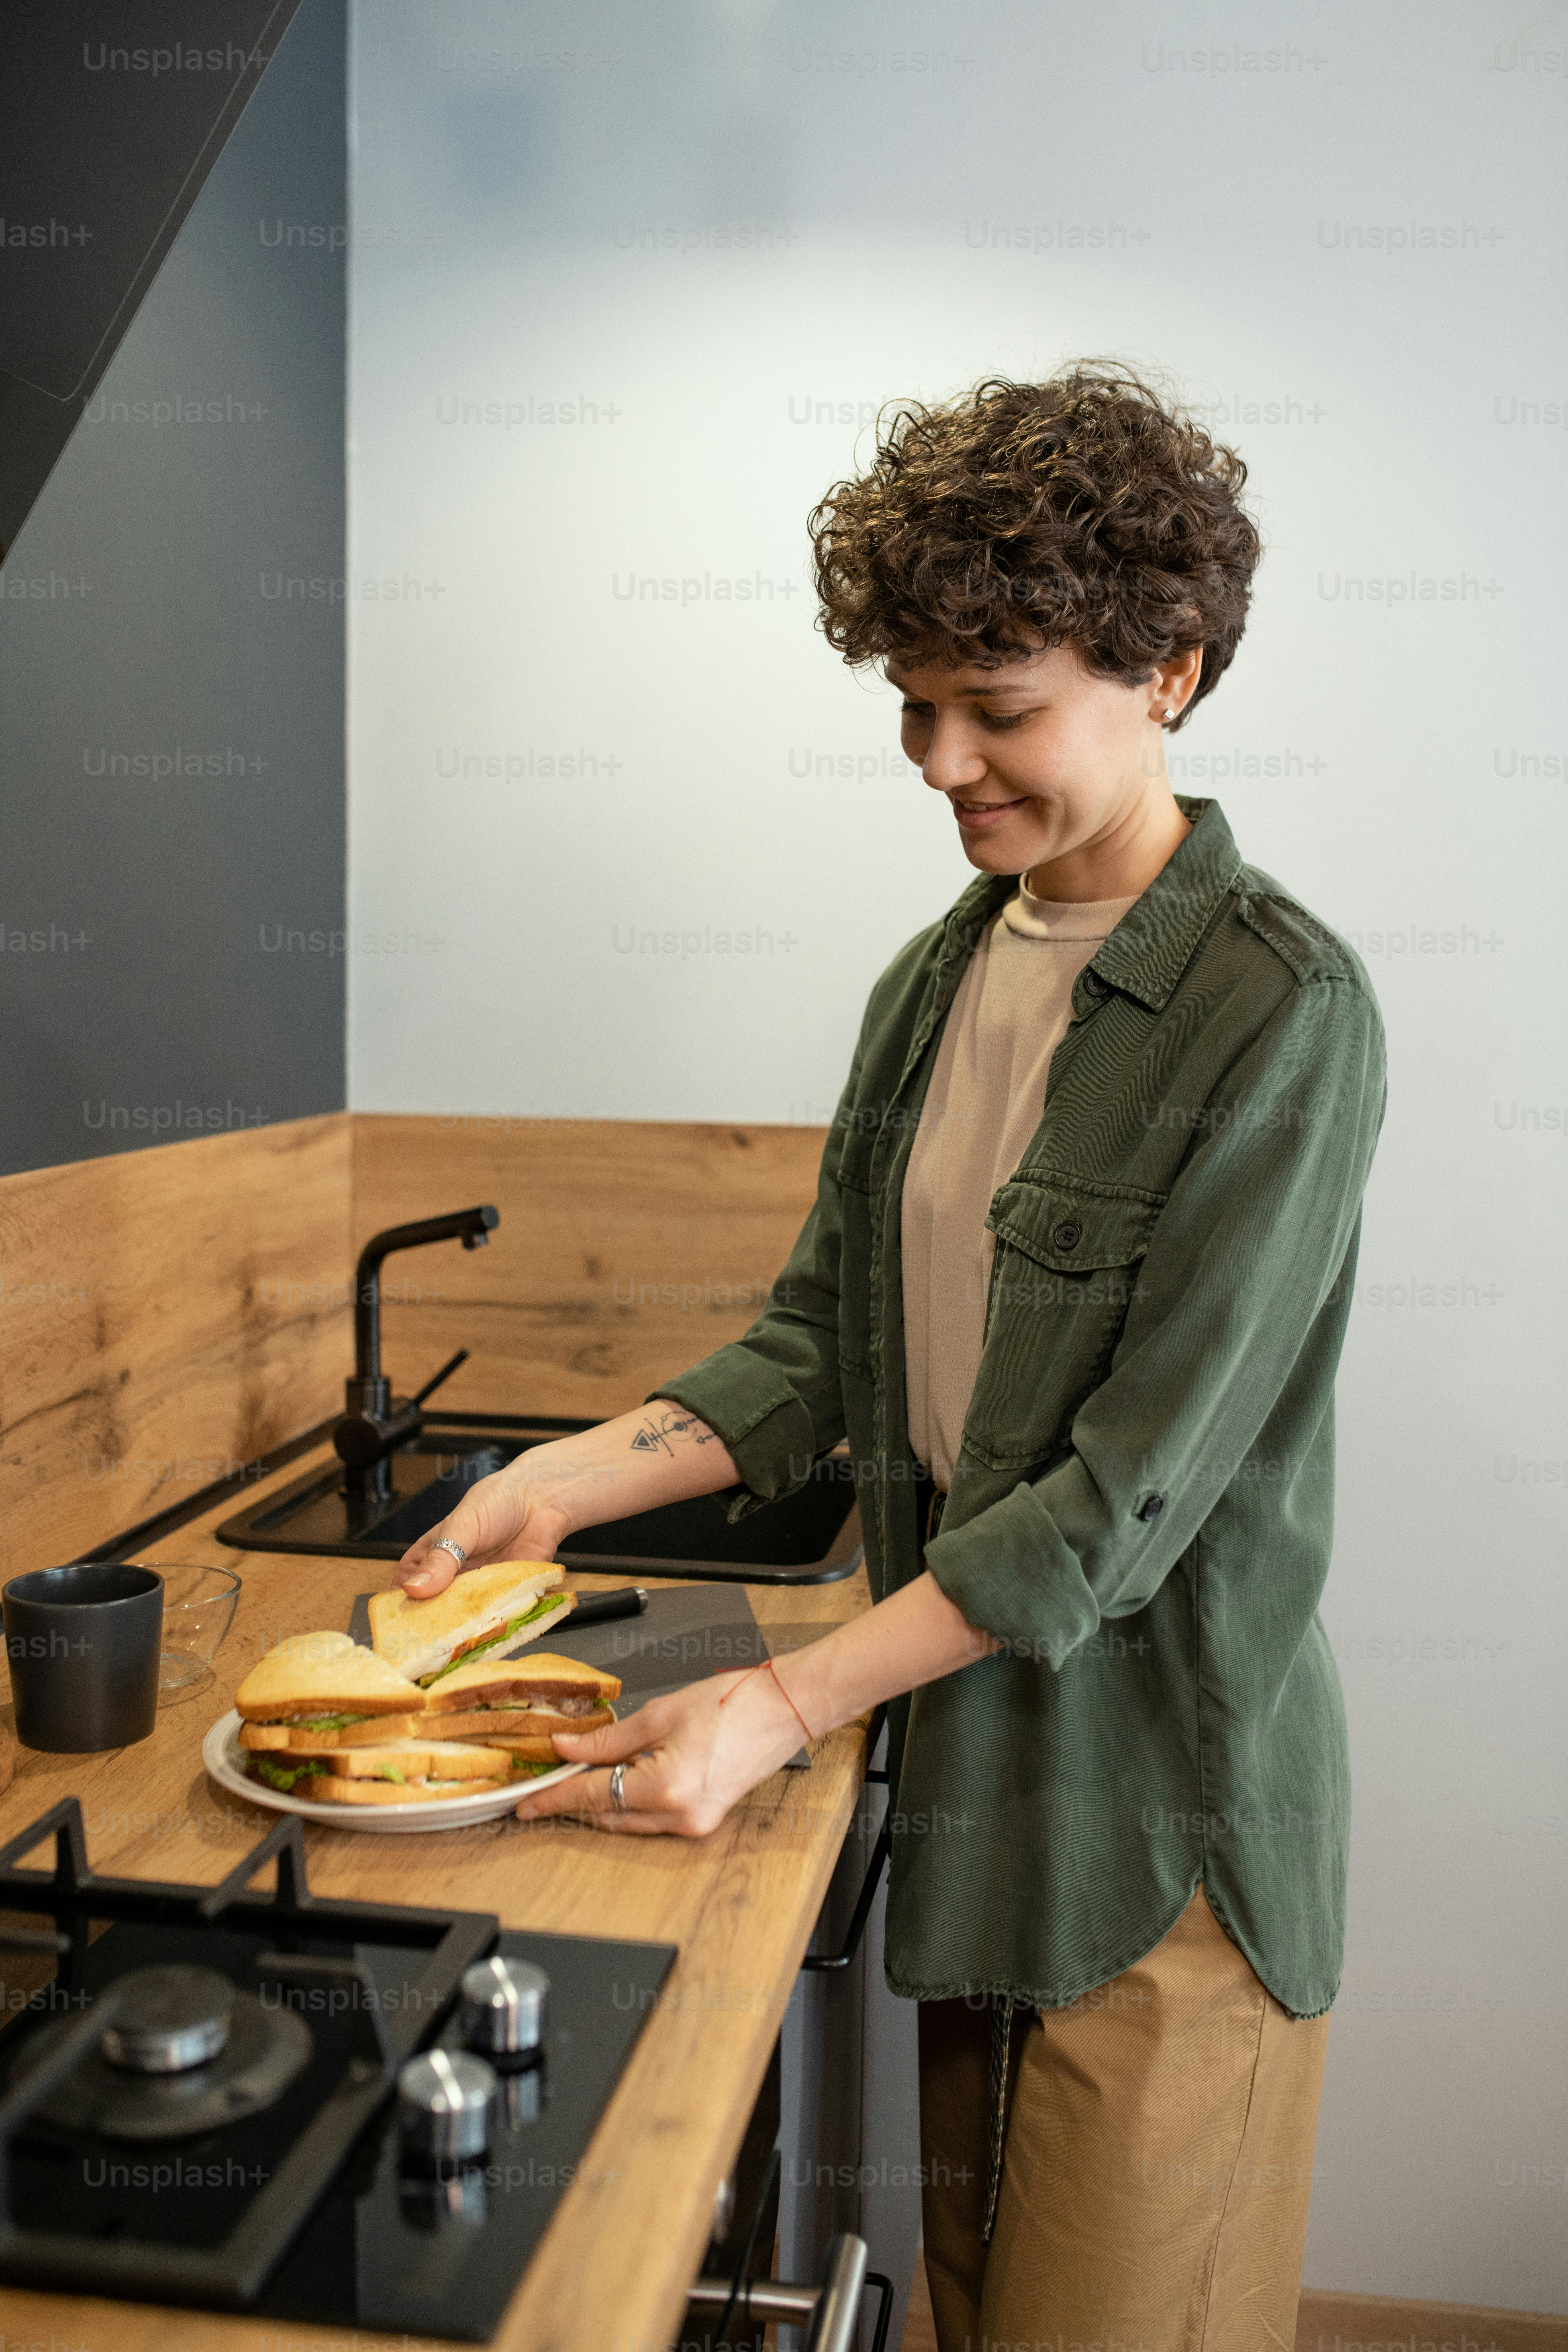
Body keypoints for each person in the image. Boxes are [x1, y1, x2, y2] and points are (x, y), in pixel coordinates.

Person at [398, 364, 1386, 2352]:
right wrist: (567, 1476)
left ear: (1169, 669)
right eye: (913, 706)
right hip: (970, 1790)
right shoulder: (937, 976)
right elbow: (822, 1347)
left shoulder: (1287, 1013)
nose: (942, 762)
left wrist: (776, 1705)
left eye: (998, 708)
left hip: (1160, 1822)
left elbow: (1112, 1512)